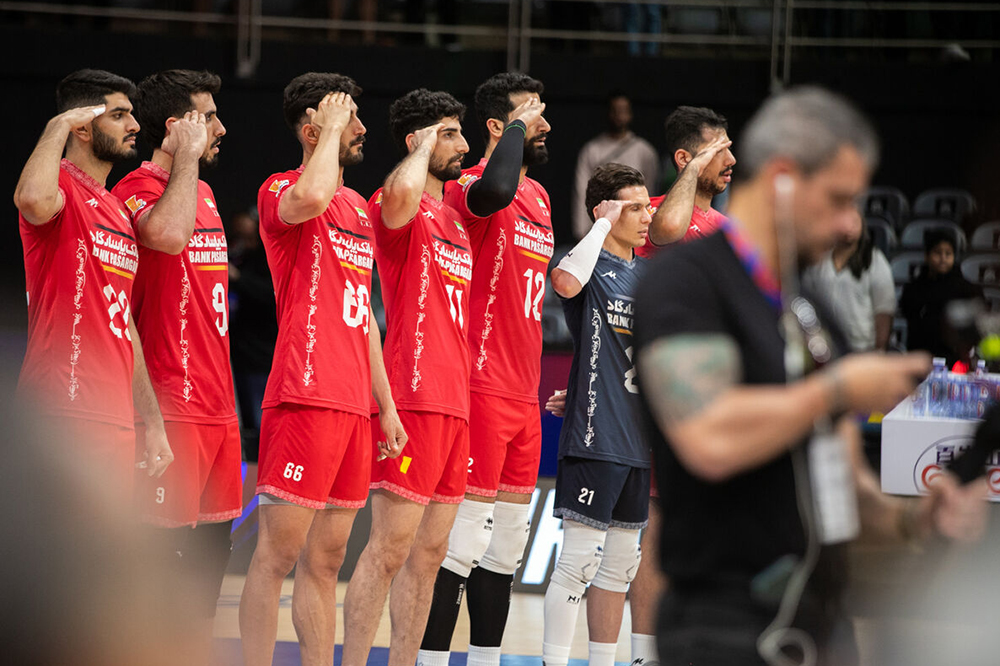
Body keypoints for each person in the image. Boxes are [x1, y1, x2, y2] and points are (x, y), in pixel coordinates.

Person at [632, 86, 987, 665]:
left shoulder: (813, 311)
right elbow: (708, 436)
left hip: (822, 628)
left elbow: (843, 483)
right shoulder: (687, 283)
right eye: (839, 200)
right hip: (723, 631)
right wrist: (838, 389)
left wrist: (913, 517)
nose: (851, 225)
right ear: (782, 178)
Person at [238, 72, 405, 666]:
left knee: (328, 560)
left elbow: (366, 321)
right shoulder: (282, 189)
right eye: (347, 118)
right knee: (276, 556)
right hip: (304, 396)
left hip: (354, 405)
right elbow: (310, 197)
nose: (361, 129)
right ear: (314, 130)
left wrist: (386, 405)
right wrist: (329, 130)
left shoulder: (357, 207)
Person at [418, 72, 553, 666]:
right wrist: (516, 130)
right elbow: (497, 188)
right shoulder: (470, 185)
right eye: (531, 114)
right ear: (499, 126)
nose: (545, 124)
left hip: (525, 393)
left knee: (505, 550)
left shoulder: (540, 197)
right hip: (480, 385)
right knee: (462, 544)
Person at [110, 69, 239, 666]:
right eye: (208, 118)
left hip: (218, 407)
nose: (221, 128)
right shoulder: (135, 187)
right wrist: (185, 158)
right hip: (170, 402)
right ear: (176, 126)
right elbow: (165, 235)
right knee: (159, 569)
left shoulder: (203, 193)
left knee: (208, 571)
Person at [341, 88, 472, 666]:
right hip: (413, 395)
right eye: (449, 133)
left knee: (431, 554)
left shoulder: (455, 220)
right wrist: (420, 148)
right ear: (417, 140)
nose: (463, 144)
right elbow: (397, 195)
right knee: (390, 549)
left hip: (456, 402)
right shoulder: (396, 202)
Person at [14, 68, 173, 501]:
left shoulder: (117, 210)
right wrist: (58, 124)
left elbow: (125, 326)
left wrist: (152, 421)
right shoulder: (59, 184)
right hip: (61, 410)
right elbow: (30, 199)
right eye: (119, 115)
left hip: (114, 416)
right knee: (50, 542)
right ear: (83, 127)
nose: (134, 125)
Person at [543, 163, 652, 666]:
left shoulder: (647, 276)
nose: (647, 216)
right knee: (578, 562)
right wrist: (602, 225)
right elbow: (564, 282)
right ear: (604, 211)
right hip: (595, 434)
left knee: (622, 565)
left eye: (648, 206)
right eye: (635, 208)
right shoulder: (587, 265)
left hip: (637, 441)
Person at [637, 105, 735, 257]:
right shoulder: (648, 212)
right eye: (717, 151)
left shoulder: (727, 228)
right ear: (683, 158)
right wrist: (693, 167)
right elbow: (671, 226)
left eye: (729, 149)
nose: (731, 160)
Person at [802, 211, 896, 352]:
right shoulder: (820, 259)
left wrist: (880, 349)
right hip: (827, 345)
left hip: (863, 347)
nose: (850, 227)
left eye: (855, 222)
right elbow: (807, 299)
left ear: (862, 225)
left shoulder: (875, 260)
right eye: (846, 221)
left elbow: (884, 309)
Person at [228, 208, 278, 463]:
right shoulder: (241, 254)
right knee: (247, 422)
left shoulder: (270, 257)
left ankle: (265, 469)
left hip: (263, 354)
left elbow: (270, 295)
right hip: (240, 352)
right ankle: (251, 469)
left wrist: (238, 278)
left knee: (263, 424)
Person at [573, 92, 659, 240]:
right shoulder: (592, 149)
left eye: (623, 111)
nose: (619, 116)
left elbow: (651, 191)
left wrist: (647, 225)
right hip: (600, 225)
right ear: (608, 113)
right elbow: (581, 191)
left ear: (630, 113)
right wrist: (582, 232)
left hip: (636, 226)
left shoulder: (644, 150)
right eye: (615, 111)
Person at [900, 228, 983, 364]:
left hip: (956, 361)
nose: (943, 258)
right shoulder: (913, 289)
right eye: (937, 253)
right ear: (927, 256)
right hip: (921, 358)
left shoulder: (967, 289)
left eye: (948, 253)